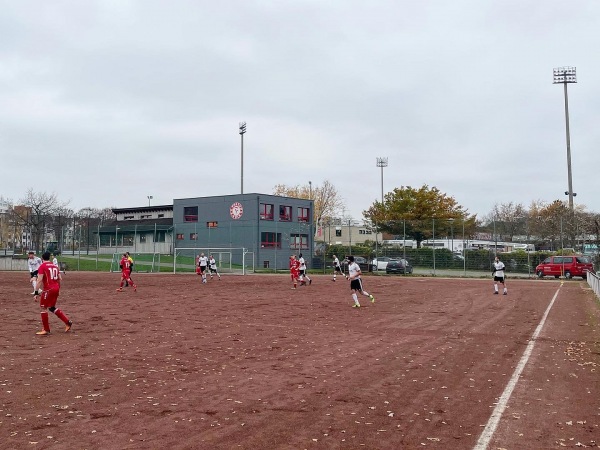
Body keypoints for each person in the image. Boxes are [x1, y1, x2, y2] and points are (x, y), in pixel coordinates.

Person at [33, 251, 72, 335]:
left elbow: (39, 280)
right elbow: (59, 278)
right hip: (56, 288)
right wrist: (58, 290)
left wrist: (36, 292)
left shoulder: (42, 266)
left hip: (48, 289)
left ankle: (46, 329)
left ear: (42, 258)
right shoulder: (55, 266)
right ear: (49, 258)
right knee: (51, 307)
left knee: (43, 308)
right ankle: (67, 322)